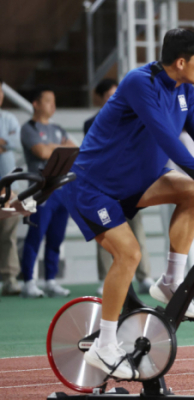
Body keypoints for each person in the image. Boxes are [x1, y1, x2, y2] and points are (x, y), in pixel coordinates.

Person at [61, 28, 194, 380]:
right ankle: (105, 344)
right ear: (180, 62)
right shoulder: (138, 83)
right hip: (94, 188)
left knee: (191, 194)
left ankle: (171, 281)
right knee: (129, 254)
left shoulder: (184, 89)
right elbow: (163, 132)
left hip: (138, 184)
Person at [84, 78, 154, 296]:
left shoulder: (131, 116)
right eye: (106, 95)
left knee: (137, 230)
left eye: (114, 94)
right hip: (102, 185)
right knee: (104, 232)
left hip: (129, 183)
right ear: (100, 98)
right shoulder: (91, 123)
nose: (111, 98)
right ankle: (105, 277)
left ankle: (145, 276)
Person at [19, 86, 77, 298]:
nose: (52, 105)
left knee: (56, 237)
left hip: (61, 191)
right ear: (35, 103)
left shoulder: (59, 128)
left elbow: (73, 150)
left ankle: (50, 280)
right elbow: (40, 151)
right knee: (35, 235)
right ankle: (28, 281)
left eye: (54, 101)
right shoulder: (29, 128)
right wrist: (57, 147)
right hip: (39, 191)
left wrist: (52, 147)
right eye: (47, 101)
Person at [0, 78, 23, 296]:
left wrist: (4, 143)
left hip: (8, 187)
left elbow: (15, 142)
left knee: (9, 233)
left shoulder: (8, 118)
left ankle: (9, 278)